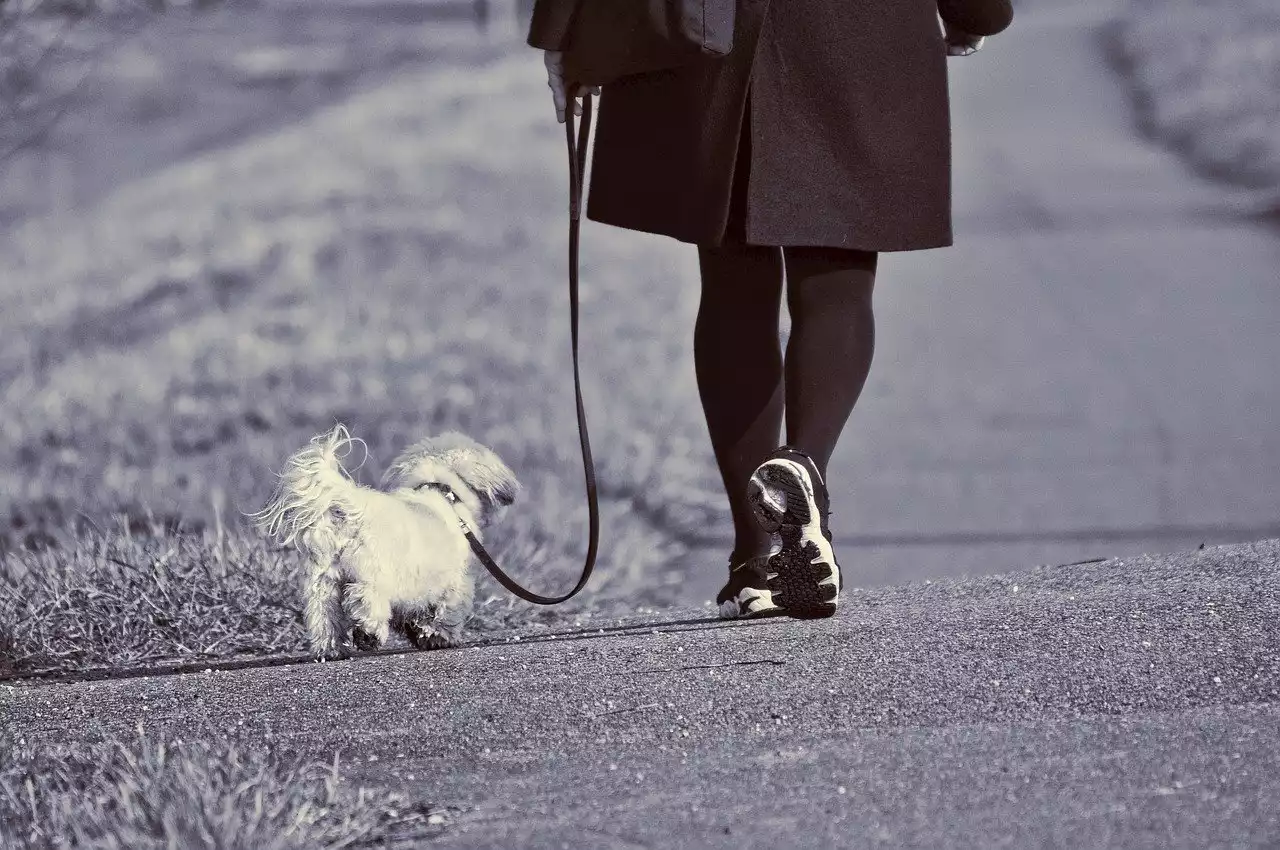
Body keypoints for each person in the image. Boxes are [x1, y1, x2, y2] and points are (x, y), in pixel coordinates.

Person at [527, 0, 1008, 620]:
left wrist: (563, 31)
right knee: (837, 282)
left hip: (711, 33)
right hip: (861, 28)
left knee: (731, 286)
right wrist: (976, 11)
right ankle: (802, 468)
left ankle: (758, 560)